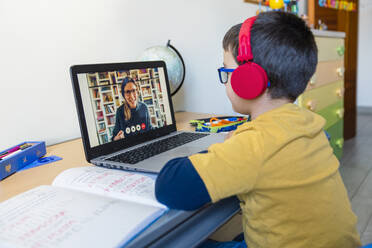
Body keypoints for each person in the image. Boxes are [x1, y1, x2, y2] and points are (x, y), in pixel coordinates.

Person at [155, 12, 361, 248]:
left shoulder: (255, 143)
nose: (225, 80)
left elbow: (171, 186)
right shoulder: (309, 122)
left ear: (248, 79)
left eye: (226, 72)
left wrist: (225, 148)